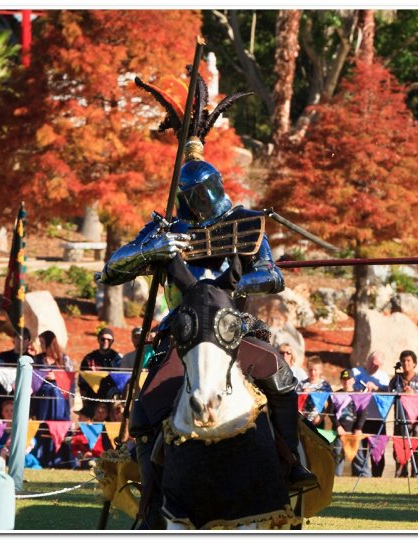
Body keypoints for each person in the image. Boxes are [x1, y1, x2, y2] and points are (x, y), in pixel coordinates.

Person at [96, 82, 315, 524]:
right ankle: (151, 500)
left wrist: (232, 287)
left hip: (235, 328)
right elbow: (111, 272)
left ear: (215, 185)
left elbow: (273, 276)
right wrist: (149, 252)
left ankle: (292, 462)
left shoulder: (243, 224)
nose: (200, 200)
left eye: (205, 191)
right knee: (146, 408)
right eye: (192, 196)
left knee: (280, 375)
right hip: (183, 333)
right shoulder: (165, 229)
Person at [388, 350, 418, 478]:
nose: (406, 363)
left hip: (417, 423)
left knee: (417, 451)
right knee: (400, 450)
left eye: (408, 361)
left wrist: (414, 396)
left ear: (414, 364)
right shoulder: (395, 380)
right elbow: (389, 398)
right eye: (403, 361)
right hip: (400, 421)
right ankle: (401, 476)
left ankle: (416, 476)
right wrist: (400, 393)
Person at [329, 369, 368, 476]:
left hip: (354, 432)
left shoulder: (359, 395)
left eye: (349, 379)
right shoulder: (335, 395)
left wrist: (359, 428)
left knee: (359, 456)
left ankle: (363, 477)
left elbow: (363, 412)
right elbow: (331, 412)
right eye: (344, 379)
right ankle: (335, 477)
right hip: (339, 432)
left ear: (353, 380)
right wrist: (337, 426)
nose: (346, 382)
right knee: (337, 454)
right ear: (341, 380)